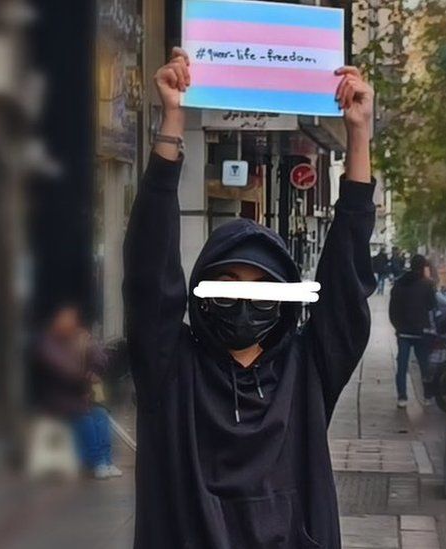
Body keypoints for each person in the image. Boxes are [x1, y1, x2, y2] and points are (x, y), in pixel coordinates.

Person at [123, 48, 375, 548]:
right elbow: (149, 268)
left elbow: (346, 276)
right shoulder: (170, 367)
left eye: (261, 287)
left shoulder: (308, 369)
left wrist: (360, 135)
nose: (243, 300)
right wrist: (172, 122)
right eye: (228, 282)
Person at [34, 304, 122, 479]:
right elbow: (61, 370)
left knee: (101, 413)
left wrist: (94, 370)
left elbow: (100, 356)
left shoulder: (82, 338)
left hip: (86, 391)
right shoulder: (49, 343)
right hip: (62, 395)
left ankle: (106, 461)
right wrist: (83, 383)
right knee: (85, 416)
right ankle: (97, 462)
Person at [389, 254, 438, 408]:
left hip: (403, 331)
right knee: (424, 365)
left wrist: (398, 326)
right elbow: (432, 306)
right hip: (421, 331)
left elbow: (392, 309)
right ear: (423, 267)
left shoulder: (399, 283)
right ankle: (427, 396)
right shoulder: (427, 285)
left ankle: (402, 397)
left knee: (402, 366)